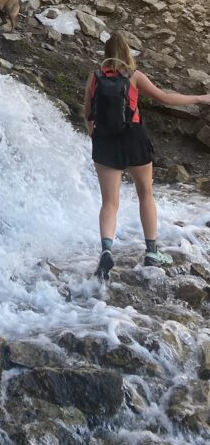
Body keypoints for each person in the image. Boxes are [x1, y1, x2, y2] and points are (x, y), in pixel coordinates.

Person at [83, 31, 210, 279]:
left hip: (105, 142)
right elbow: (165, 98)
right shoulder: (134, 76)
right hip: (134, 138)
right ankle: (152, 251)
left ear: (106, 54)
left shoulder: (94, 77)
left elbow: (88, 112)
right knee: (145, 194)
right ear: (127, 52)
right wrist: (200, 98)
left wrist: (94, 136)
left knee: (110, 202)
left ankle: (107, 251)